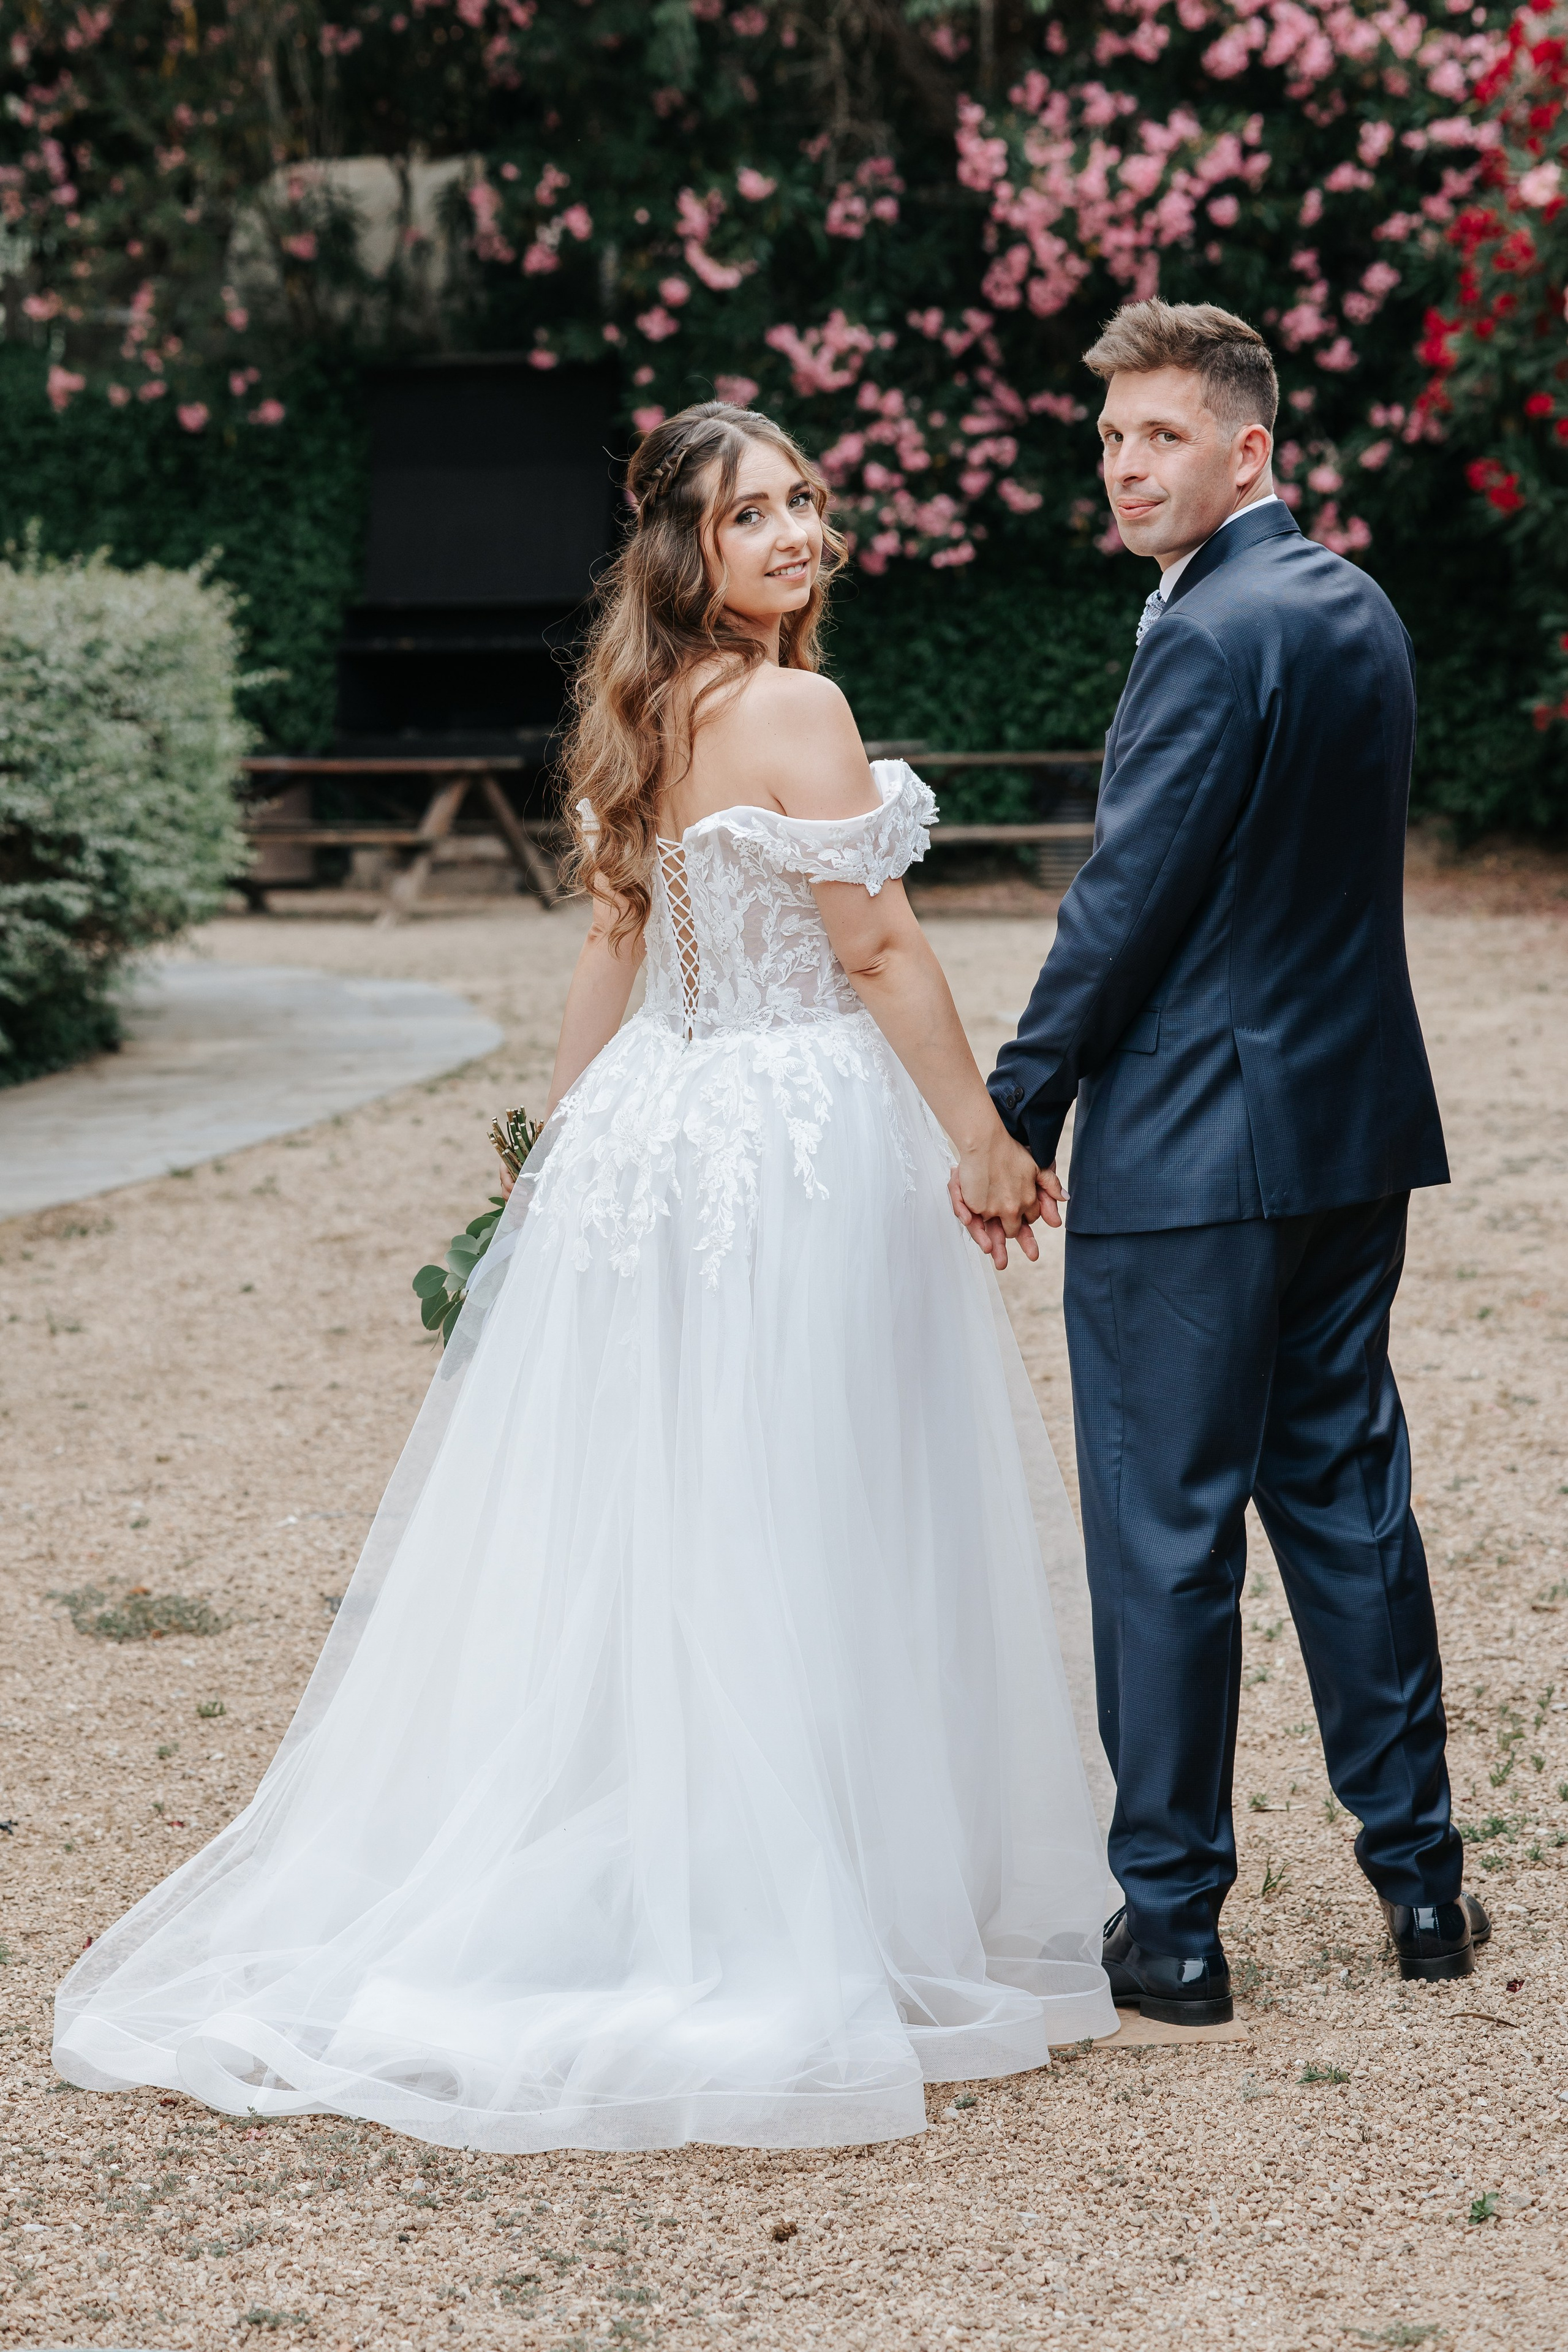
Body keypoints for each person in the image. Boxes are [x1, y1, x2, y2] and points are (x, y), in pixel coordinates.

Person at [54, 399, 1115, 2152]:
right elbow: (873, 941)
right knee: (811, 1493)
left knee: (672, 1505)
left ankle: (684, 1848)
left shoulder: (648, 709)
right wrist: (983, 1138)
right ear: (686, 550)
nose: (791, 534)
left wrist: (560, 1148)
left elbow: (615, 944)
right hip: (780, 1142)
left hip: (656, 1141)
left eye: (802, 501)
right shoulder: (794, 706)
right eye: (747, 515)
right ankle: (792, 1893)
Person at [978, 299, 1487, 2022]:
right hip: (1349, 1140)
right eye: (1113, 439)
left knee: (1168, 1535)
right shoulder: (1357, 609)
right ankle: (1425, 1888)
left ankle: (1174, 1927)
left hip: (1200, 1153)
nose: (1127, 467)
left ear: (1249, 446)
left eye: (1163, 437)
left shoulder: (1208, 636)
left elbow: (1132, 900)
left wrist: (1015, 1105)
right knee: (1346, 1499)